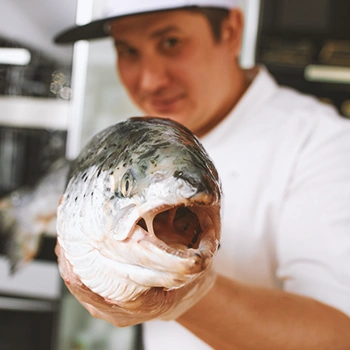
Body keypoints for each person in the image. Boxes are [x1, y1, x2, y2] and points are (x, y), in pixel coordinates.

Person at [54, 1, 350, 349]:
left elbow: (338, 336)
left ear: (230, 32)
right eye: (127, 50)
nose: (150, 80)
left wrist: (189, 296)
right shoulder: (150, 137)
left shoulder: (324, 144)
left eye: (170, 43)